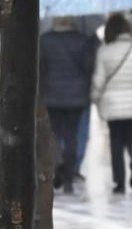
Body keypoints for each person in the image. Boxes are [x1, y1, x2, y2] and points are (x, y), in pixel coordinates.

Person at [91, 13, 132, 195]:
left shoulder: (104, 51)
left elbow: (98, 80)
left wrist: (96, 99)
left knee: (116, 143)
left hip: (112, 105)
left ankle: (119, 182)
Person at [39, 16, 97, 193]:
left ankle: (57, 165)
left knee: (54, 134)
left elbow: (41, 67)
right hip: (76, 96)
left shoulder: (45, 39)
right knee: (71, 136)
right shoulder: (82, 40)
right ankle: (69, 180)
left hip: (52, 95)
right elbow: (89, 67)